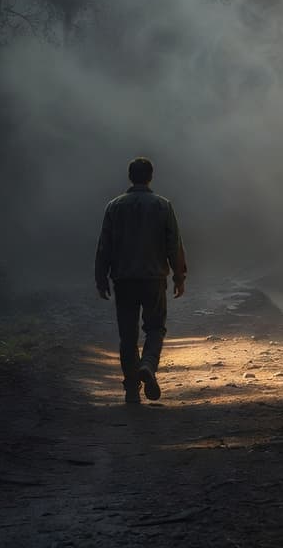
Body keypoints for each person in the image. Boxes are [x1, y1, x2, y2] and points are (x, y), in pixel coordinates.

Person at [95, 157, 188, 404]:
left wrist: (100, 277)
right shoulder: (163, 206)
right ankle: (147, 364)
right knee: (155, 328)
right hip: (153, 278)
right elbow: (174, 244)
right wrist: (179, 276)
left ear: (130, 176)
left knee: (127, 334)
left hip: (123, 279)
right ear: (150, 177)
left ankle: (131, 387)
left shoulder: (114, 207)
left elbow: (105, 245)